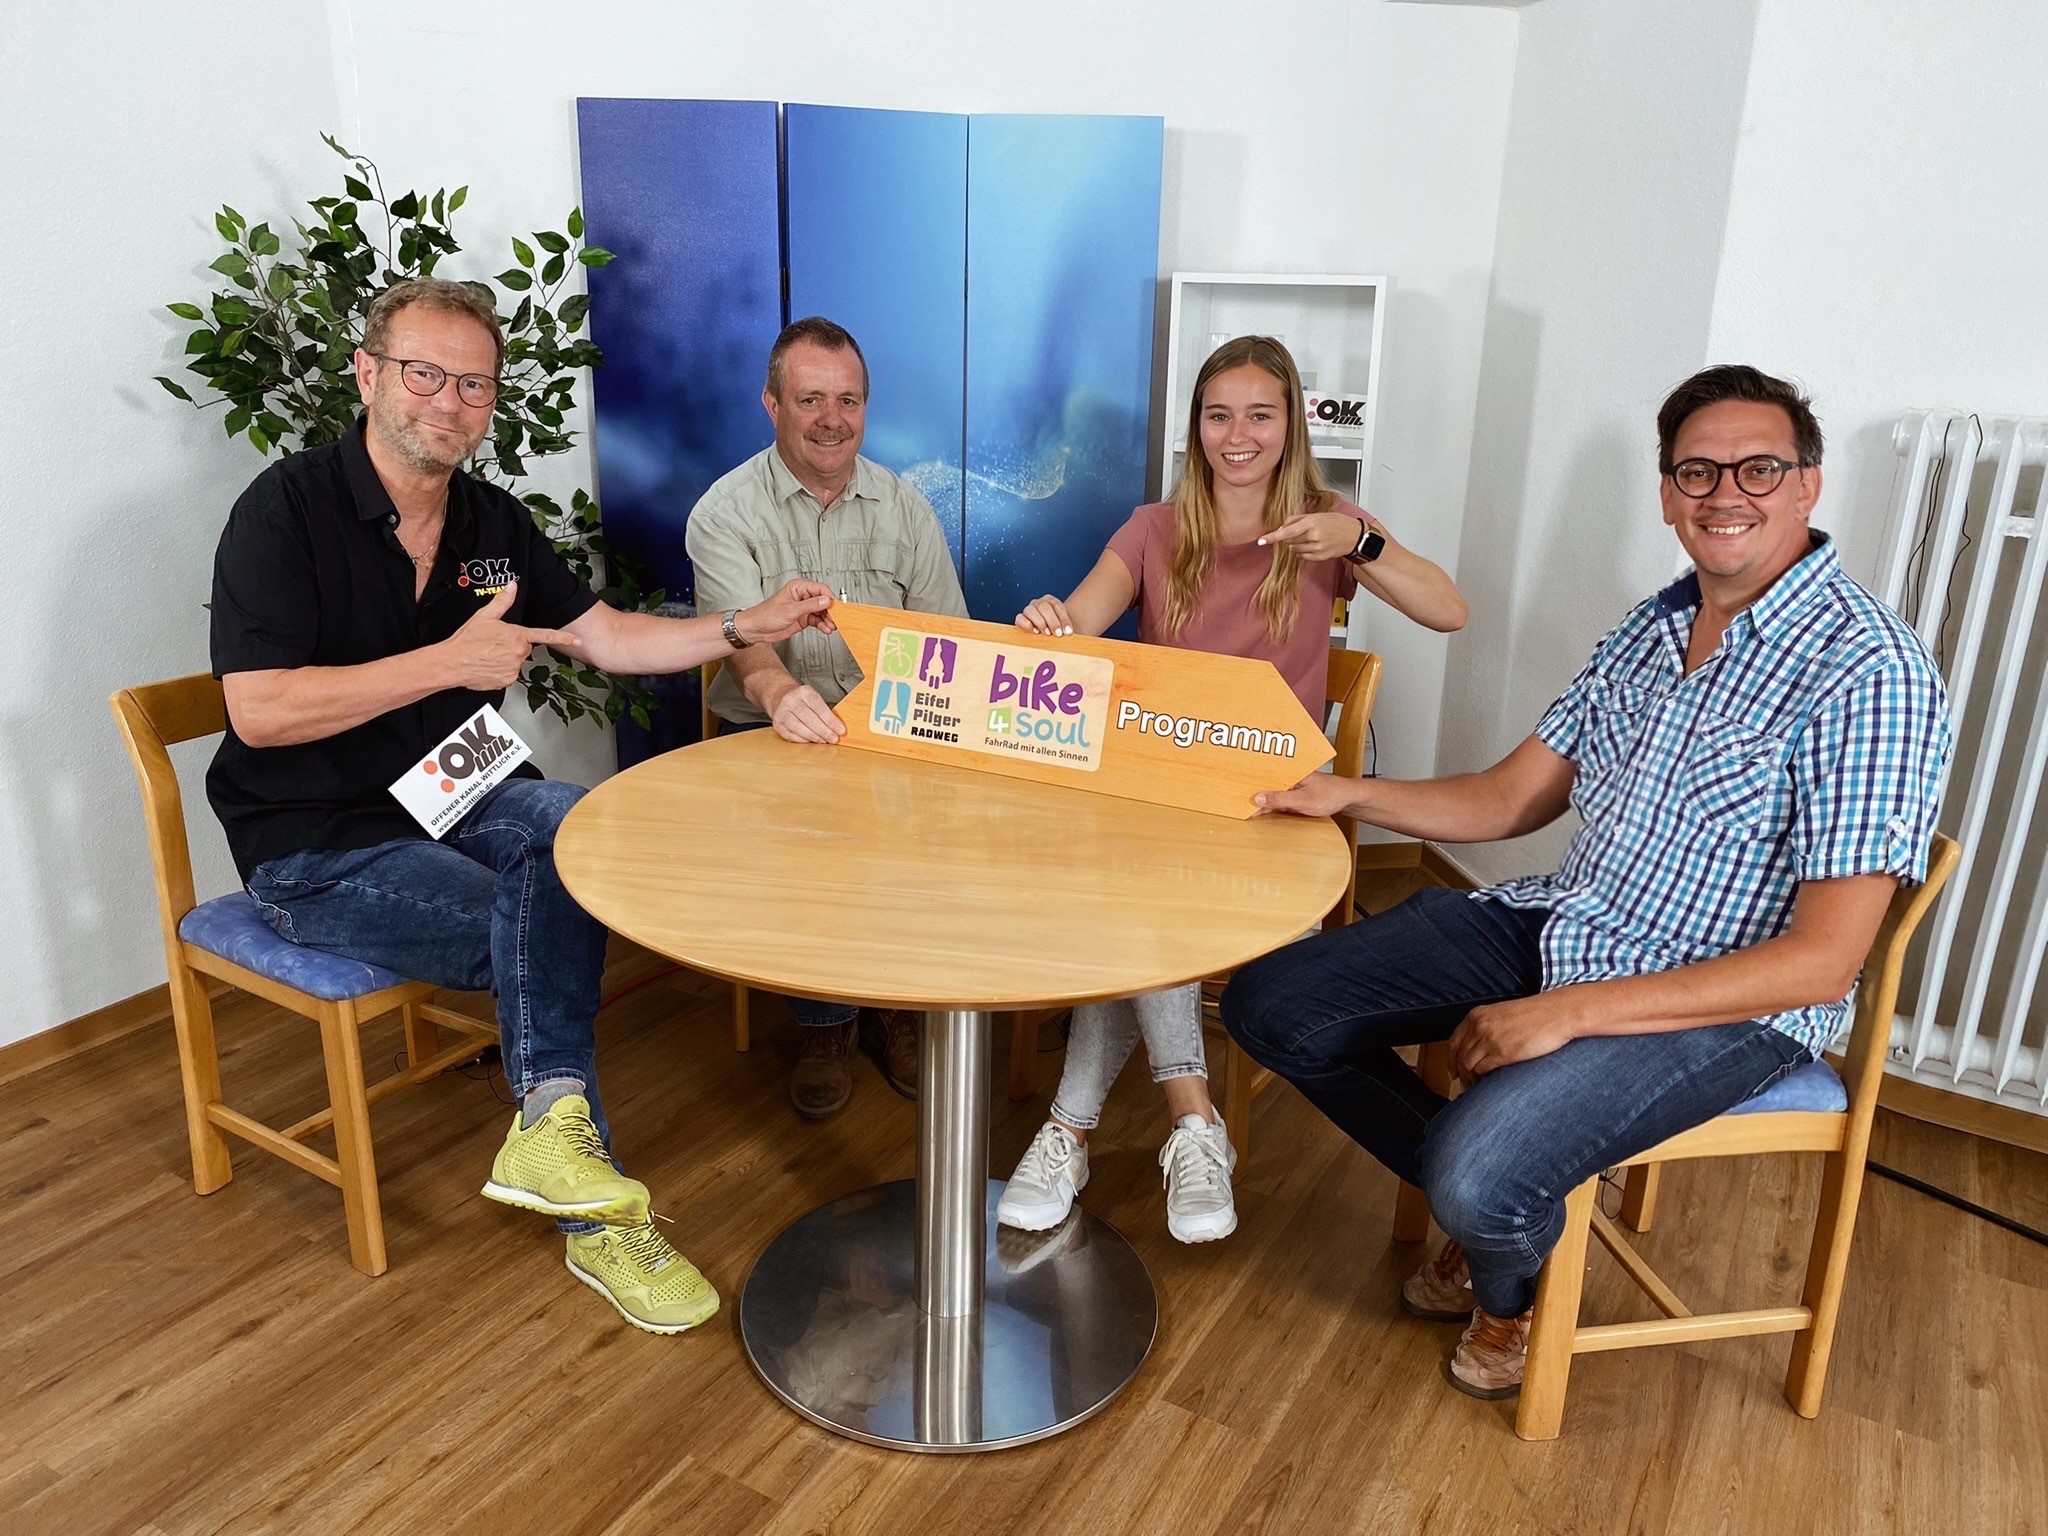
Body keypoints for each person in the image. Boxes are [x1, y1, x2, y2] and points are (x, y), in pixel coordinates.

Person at [1222, 364, 1952, 1398]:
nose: (1722, 494)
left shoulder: (1865, 671)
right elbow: (1510, 799)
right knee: (1273, 1004)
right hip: (1576, 919)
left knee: (1479, 1173)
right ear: (1664, 495)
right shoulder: (1648, 632)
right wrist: (1345, 796)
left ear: (1805, 486)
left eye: (1756, 468)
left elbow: (1820, 960)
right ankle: (1510, 1218)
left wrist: (1563, 1015)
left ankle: (1500, 1270)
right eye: (1695, 472)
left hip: (1730, 996)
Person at [207, 278, 836, 1335]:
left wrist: (745, 626)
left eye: (474, 385)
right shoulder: (283, 511)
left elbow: (612, 639)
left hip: (460, 782)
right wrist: (441, 661)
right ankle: (597, 1221)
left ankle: (551, 1133)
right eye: (423, 374)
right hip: (318, 835)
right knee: (550, 906)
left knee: (586, 834)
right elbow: (260, 713)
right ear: (367, 373)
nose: (448, 402)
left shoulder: (492, 521)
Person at [995, 335, 1466, 1245]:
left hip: (1279, 799)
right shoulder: (1152, 528)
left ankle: (1070, 1127)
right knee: (1143, 892)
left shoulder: (1331, 523)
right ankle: (1191, 1119)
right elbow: (1080, 626)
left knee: (1135, 901)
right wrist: (1053, 623)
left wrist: (1363, 541)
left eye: (1259, 414)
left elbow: (1449, 609)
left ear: (1291, 423)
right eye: (1219, 415)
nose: (1237, 435)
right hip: (1164, 785)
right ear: (1196, 428)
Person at [686, 316, 970, 1119]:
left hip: (887, 735)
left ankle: (894, 1007)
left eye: (848, 399)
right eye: (810, 398)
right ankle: (825, 1022)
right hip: (763, 732)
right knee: (806, 833)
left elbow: (944, 640)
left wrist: (892, 730)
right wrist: (782, 697)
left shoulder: (906, 509)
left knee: (936, 826)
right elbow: (739, 640)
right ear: (770, 402)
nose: (831, 418)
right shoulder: (723, 512)